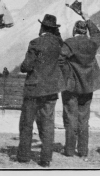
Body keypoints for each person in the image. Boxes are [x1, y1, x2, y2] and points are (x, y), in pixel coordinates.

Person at [17, 14, 65, 167]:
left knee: (27, 123)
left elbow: (27, 66)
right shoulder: (59, 45)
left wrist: (22, 66)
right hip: (51, 90)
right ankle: (46, 159)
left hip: (34, 89)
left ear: (42, 27)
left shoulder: (35, 43)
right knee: (48, 124)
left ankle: (24, 156)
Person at [59, 9, 100, 158]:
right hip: (88, 86)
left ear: (74, 30)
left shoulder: (70, 43)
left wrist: (68, 74)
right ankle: (83, 151)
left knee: (71, 117)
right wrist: (87, 18)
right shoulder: (92, 43)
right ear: (85, 31)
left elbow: (60, 60)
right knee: (84, 118)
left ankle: (70, 150)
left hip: (71, 86)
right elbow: (97, 34)